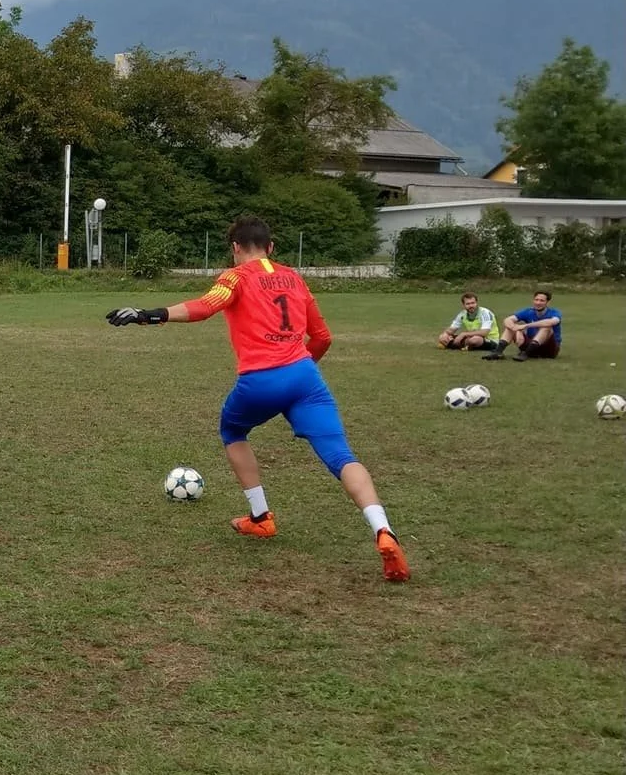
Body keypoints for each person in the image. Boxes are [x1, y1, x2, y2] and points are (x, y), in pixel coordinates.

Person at [105, 215, 408, 582]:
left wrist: (147, 315)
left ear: (235, 248)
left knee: (232, 431)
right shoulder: (294, 278)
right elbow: (323, 337)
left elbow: (204, 307)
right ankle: (383, 530)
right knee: (342, 457)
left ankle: (261, 518)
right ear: (271, 247)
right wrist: (296, 372)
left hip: (261, 380)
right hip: (306, 378)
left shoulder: (235, 276)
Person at [482, 290, 562, 360]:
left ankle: (526, 354)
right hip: (530, 347)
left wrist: (525, 326)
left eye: (542, 301)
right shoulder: (528, 311)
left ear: (548, 302)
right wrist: (513, 327)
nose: (538, 303)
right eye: (536, 300)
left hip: (548, 349)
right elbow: (508, 320)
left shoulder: (554, 312)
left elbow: (552, 322)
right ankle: (498, 352)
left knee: (546, 328)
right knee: (511, 326)